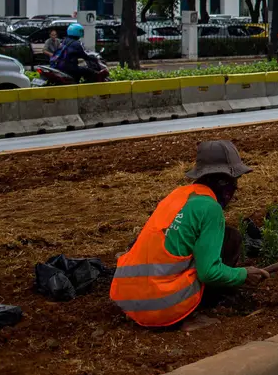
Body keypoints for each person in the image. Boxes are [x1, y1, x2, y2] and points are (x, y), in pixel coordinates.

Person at [110, 140, 269, 330]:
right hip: (162, 306)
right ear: (224, 182)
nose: (234, 190)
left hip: (128, 299)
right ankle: (189, 313)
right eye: (234, 184)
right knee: (231, 239)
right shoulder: (210, 208)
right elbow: (209, 273)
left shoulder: (178, 196)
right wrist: (243, 274)